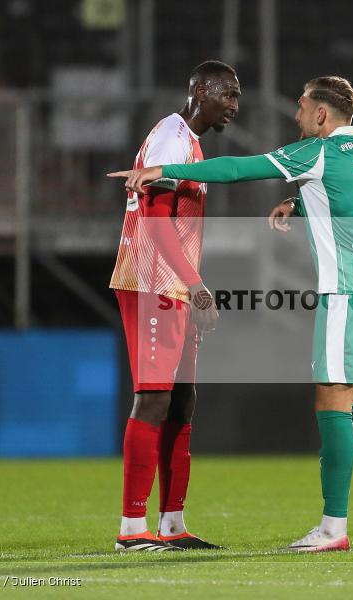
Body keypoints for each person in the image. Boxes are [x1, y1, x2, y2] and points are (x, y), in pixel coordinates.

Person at [110, 75, 353, 552]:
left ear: (321, 114)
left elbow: (239, 168)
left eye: (301, 107)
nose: (295, 115)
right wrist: (299, 203)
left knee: (331, 408)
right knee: (350, 404)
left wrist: (163, 170)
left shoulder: (316, 152)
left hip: (347, 293)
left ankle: (333, 529)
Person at [109, 60, 239, 551]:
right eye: (228, 93)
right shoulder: (171, 136)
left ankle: (172, 524)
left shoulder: (191, 143)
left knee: (182, 399)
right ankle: (131, 528)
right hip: (150, 280)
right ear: (200, 90)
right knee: (154, 397)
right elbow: (155, 222)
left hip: (173, 285)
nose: (234, 105)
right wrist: (195, 286)